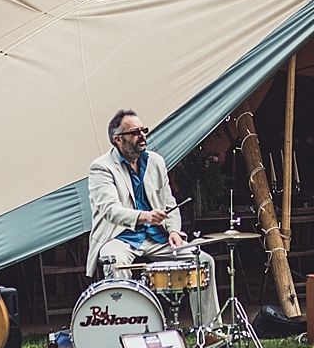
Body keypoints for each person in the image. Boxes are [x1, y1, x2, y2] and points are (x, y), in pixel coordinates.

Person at [86, 109, 222, 327]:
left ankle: (209, 330)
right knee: (114, 263)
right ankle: (124, 332)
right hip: (120, 238)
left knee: (203, 260)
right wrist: (144, 217)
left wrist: (175, 231)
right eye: (135, 132)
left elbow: (169, 203)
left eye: (143, 130)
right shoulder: (101, 167)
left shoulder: (156, 162)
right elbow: (110, 210)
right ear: (117, 140)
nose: (142, 136)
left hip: (157, 238)